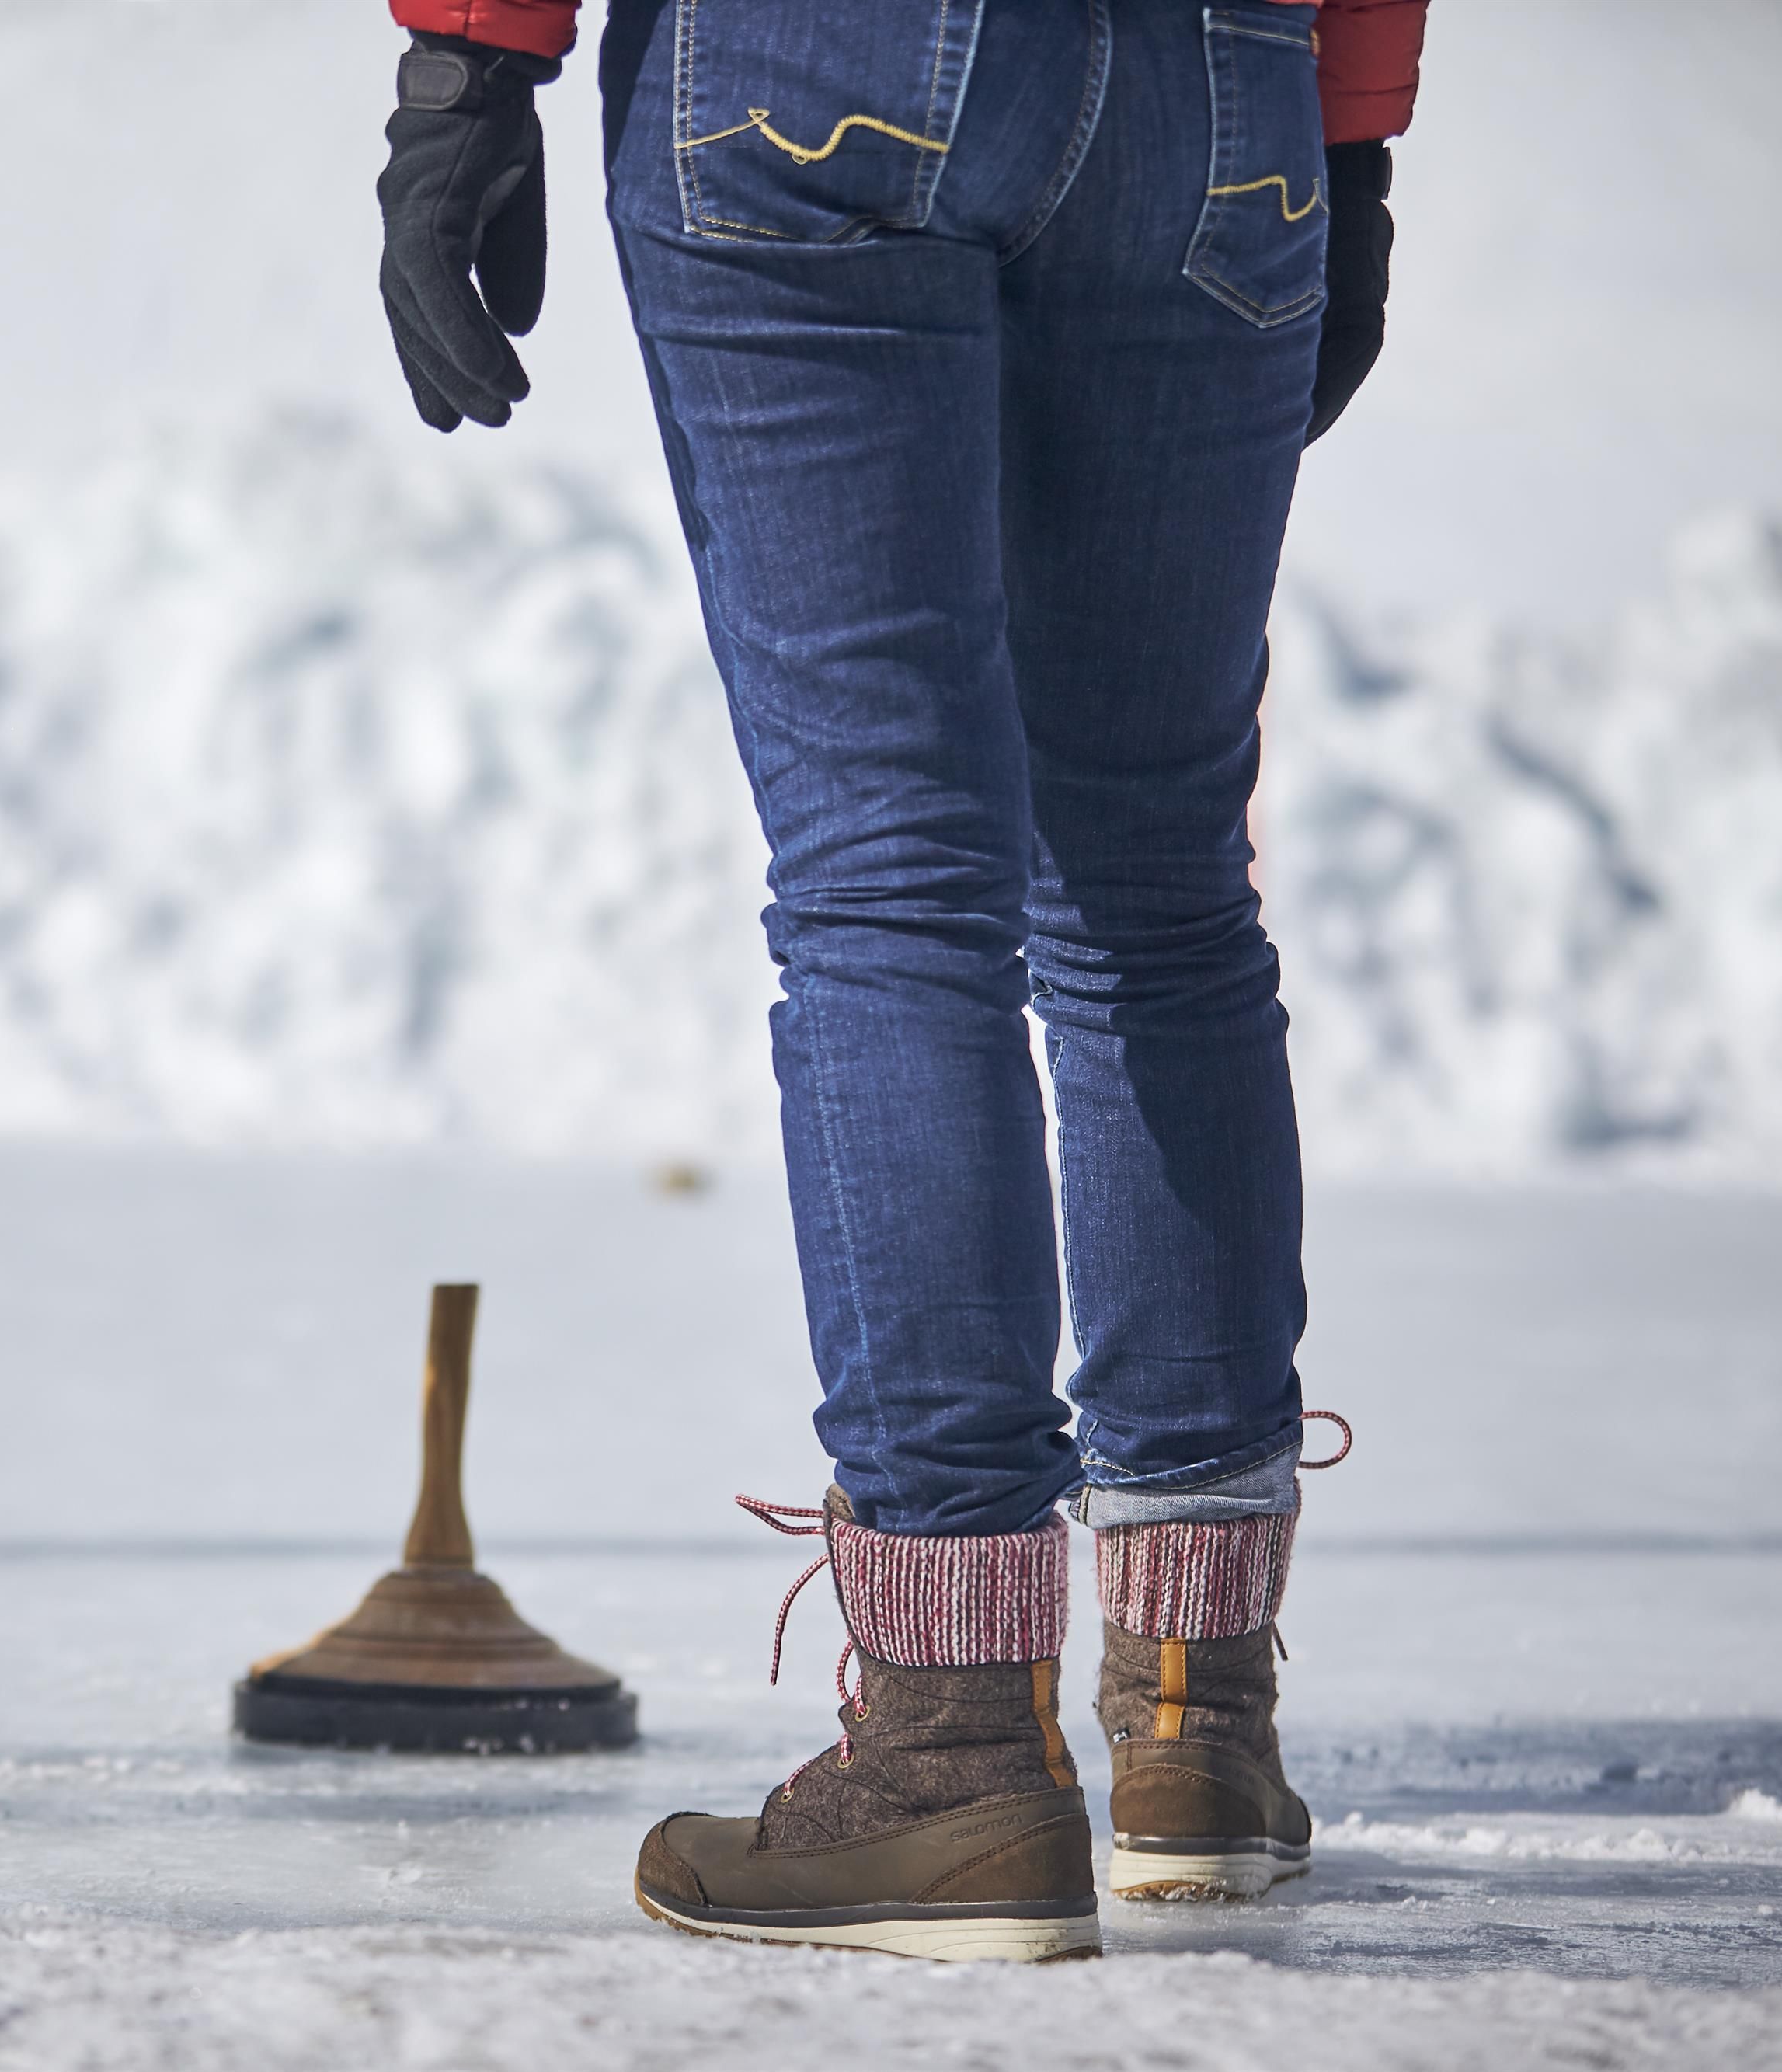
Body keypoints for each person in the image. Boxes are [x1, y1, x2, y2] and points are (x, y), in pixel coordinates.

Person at [373, 0, 1423, 1957]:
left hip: (804, 65)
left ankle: (949, 1749)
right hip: (1214, 78)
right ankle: (1198, 1708)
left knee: (889, 882)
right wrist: (1345, 133)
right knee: (1157, 883)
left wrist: (467, 60)